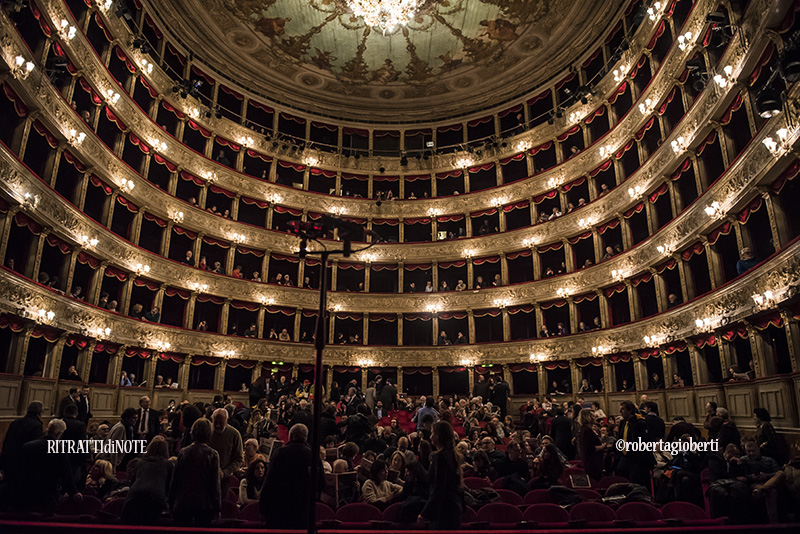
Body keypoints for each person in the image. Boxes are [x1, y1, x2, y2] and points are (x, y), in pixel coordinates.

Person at [260, 423, 324, 529]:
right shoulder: (312, 455)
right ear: (306, 437)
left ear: (291, 435)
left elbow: (269, 482)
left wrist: (263, 508)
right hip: (303, 509)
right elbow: (321, 483)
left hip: (280, 507)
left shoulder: (280, 453)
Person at [17, 418, 81, 511]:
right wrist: (73, 492)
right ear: (58, 433)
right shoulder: (60, 448)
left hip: (27, 489)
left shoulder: (28, 446)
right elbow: (65, 473)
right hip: (49, 491)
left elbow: (21, 469)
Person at [170, 419, 221, 526]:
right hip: (204, 504)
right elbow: (214, 484)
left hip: (183, 502)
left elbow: (175, 480)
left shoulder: (183, 452)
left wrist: (171, 502)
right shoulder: (212, 454)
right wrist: (217, 507)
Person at [418, 421, 463, 529]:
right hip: (453, 508)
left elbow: (438, 488)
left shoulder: (440, 457)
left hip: (444, 510)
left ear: (439, 436)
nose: (430, 436)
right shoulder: (451, 455)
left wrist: (424, 513)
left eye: (433, 433)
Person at [122, 435, 173, 524]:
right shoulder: (167, 464)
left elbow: (133, 481)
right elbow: (169, 486)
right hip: (156, 496)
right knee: (149, 525)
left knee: (131, 524)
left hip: (136, 494)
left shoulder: (141, 462)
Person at [0, 401, 44, 487]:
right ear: (39, 413)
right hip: (22, 463)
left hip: (9, 459)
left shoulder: (15, 422)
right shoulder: (37, 426)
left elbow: (7, 441)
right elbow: (34, 447)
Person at [615, 400, 654, 486]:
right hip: (624, 456)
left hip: (636, 458)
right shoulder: (623, 422)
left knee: (636, 482)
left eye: (623, 409)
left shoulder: (639, 423)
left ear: (630, 410)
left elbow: (643, 443)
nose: (620, 411)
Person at [209, 408, 244, 487]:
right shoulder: (207, 431)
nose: (218, 425)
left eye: (221, 423)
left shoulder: (234, 434)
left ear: (227, 420)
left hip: (224, 480)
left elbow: (239, 459)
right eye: (216, 422)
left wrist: (225, 472)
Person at [577, 409, 607, 481]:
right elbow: (590, 448)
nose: (595, 417)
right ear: (588, 417)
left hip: (589, 461)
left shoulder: (584, 429)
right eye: (593, 416)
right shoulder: (587, 431)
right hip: (593, 462)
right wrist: (602, 446)